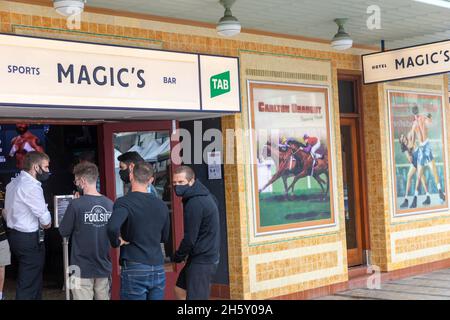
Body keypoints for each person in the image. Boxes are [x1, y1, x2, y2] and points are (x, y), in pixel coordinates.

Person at [107, 162, 170, 300]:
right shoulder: (161, 205)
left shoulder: (124, 202)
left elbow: (112, 227)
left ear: (130, 176)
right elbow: (165, 237)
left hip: (135, 264)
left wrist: (117, 242)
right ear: (151, 180)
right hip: (158, 266)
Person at [59, 162, 113, 300]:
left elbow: (63, 231)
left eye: (76, 180)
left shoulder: (75, 204)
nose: (76, 183)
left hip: (78, 268)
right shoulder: (110, 204)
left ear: (82, 181)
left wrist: (75, 206)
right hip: (103, 265)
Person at [4, 151, 52, 300]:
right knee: (29, 284)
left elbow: (6, 212)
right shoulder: (31, 187)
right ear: (35, 167)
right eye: (46, 167)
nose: (48, 171)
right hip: (29, 239)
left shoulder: (13, 182)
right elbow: (46, 222)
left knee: (33, 280)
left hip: (15, 235)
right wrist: (47, 220)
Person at [172, 166, 220, 300]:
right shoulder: (206, 195)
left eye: (181, 182)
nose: (177, 186)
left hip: (202, 260)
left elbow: (190, 238)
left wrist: (178, 255)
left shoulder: (194, 203)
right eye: (174, 183)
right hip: (202, 256)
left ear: (191, 181)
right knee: (180, 290)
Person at [408, 105, 445, 208]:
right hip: (426, 146)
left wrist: (410, 151)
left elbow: (412, 140)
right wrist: (429, 116)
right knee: (433, 170)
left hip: (420, 148)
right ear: (418, 111)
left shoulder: (414, 125)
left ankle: (415, 198)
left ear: (413, 113)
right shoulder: (423, 118)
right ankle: (440, 192)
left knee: (419, 175)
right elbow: (431, 122)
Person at [0, 211, 11, 300]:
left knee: (1, 268)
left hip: (1, 237)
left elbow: (5, 213)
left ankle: (0, 295)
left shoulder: (1, 197)